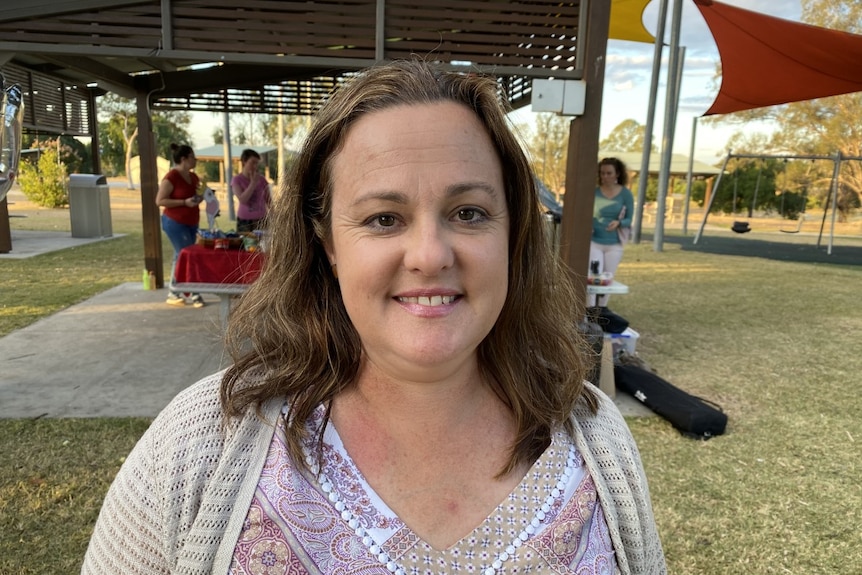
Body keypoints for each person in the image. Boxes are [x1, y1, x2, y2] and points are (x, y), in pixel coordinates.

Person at [82, 61, 665, 575]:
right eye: (384, 218)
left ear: (512, 235)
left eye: (468, 212)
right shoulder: (201, 444)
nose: (431, 254)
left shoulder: (595, 438)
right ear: (328, 244)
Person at [155, 143, 206, 308]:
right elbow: (160, 200)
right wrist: (184, 202)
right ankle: (191, 291)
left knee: (181, 255)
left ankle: (176, 290)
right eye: (192, 157)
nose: (195, 160)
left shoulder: (193, 177)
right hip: (175, 222)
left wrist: (201, 197)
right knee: (185, 255)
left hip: (191, 221)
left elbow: (196, 194)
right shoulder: (171, 177)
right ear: (183, 159)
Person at [588, 157, 634, 309]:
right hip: (595, 241)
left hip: (614, 244)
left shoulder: (625, 194)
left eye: (609, 173)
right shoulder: (594, 193)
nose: (605, 177)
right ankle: (589, 310)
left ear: (617, 174)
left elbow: (629, 219)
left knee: (608, 279)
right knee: (593, 277)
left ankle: (602, 310)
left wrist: (619, 223)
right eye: (602, 173)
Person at [230, 148, 271, 232]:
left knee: (263, 244)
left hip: (262, 220)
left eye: (257, 163)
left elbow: (269, 200)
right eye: (252, 163)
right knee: (245, 244)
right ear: (244, 161)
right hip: (245, 221)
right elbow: (242, 200)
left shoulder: (262, 180)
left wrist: (275, 217)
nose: (255, 166)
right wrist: (253, 183)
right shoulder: (237, 180)